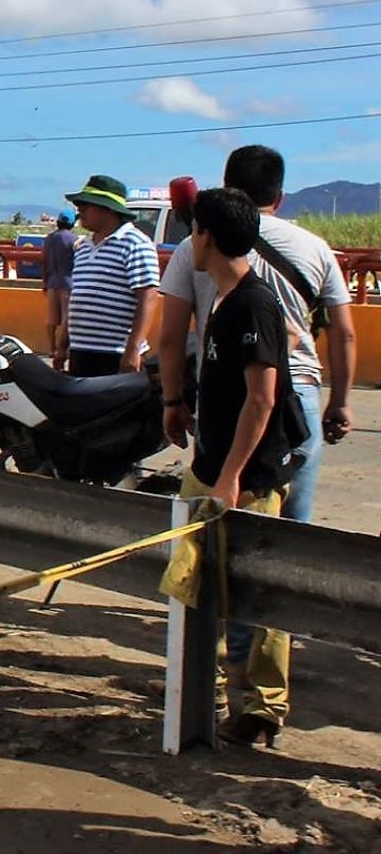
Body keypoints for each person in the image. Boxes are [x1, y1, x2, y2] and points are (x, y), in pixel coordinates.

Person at [158, 146, 355, 523]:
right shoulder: (315, 247)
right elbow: (343, 334)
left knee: (220, 526)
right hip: (300, 395)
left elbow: (169, 337)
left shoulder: (196, 244)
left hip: (229, 398)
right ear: (279, 198)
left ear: (226, 187)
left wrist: (172, 401)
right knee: (292, 533)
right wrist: (341, 401)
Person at [172, 187, 295, 748]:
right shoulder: (226, 300)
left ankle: (260, 708)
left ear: (209, 237)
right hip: (212, 464)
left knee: (256, 596)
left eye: (193, 230)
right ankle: (218, 694)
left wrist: (231, 478)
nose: (188, 241)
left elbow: (262, 400)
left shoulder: (251, 303)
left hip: (244, 478)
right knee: (206, 590)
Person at [56, 174, 158, 377]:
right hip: (81, 352)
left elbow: (148, 297)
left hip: (116, 355)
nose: (80, 209)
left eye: (87, 204)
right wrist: (63, 344)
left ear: (108, 209)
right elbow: (79, 298)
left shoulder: (136, 243)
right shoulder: (83, 246)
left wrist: (133, 350)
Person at [42, 210, 77, 355]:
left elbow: (44, 261)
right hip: (68, 283)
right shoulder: (74, 239)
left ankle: (52, 349)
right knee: (66, 319)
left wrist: (45, 282)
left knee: (51, 320)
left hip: (52, 282)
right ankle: (64, 350)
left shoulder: (49, 239)